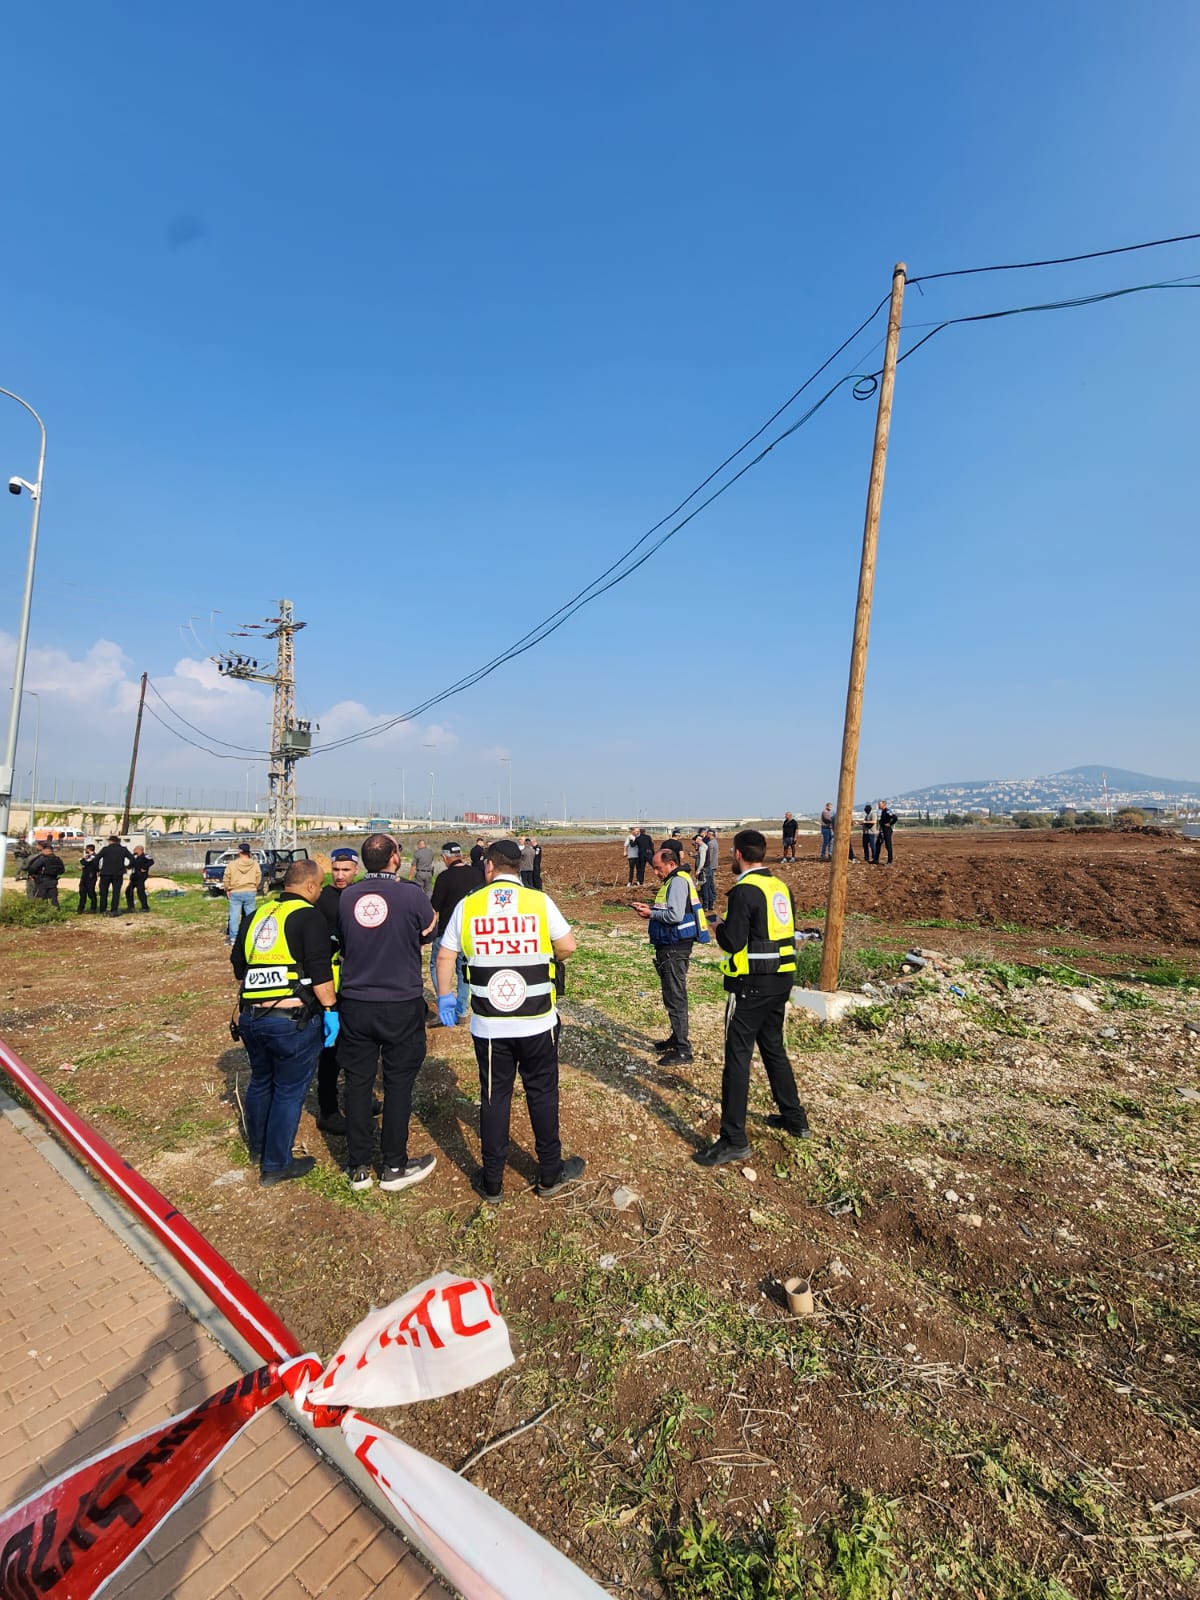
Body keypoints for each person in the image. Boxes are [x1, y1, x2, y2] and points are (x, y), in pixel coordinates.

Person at [436, 839, 583, 1203]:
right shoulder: (539, 901)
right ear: (519, 867)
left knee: (493, 1098)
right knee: (543, 1094)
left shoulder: (469, 906)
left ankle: (492, 1181)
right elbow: (568, 946)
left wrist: (445, 995)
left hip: (489, 1026)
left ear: (489, 866)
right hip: (537, 1021)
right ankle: (549, 1173)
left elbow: (444, 956)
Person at [696, 828, 810, 1167]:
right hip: (781, 980)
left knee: (738, 1058)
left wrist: (717, 925)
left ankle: (734, 1138)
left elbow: (734, 942)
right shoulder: (779, 888)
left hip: (750, 986)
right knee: (774, 1049)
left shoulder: (744, 891)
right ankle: (795, 1118)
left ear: (739, 854)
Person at [338, 834, 438, 1192]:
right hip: (400, 1000)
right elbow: (429, 932)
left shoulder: (348, 895)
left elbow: (345, 940)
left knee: (358, 1083)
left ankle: (358, 1166)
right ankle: (394, 1165)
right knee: (398, 1085)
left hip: (355, 1002)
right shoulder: (411, 895)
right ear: (395, 857)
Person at [230, 858, 337, 1187]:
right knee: (289, 1092)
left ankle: (258, 1149)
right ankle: (276, 1164)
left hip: (251, 1017)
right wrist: (331, 1010)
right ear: (309, 886)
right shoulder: (309, 916)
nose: (320, 891)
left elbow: (238, 964)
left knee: (261, 1081)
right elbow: (320, 973)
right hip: (292, 1022)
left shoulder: (258, 915)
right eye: (319, 886)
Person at [632, 843, 707, 1066]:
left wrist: (651, 914)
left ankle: (684, 1050)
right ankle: (676, 1037)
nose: (655, 873)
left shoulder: (677, 881)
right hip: (671, 946)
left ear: (671, 864)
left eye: (658, 868)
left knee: (675, 996)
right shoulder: (675, 881)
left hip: (675, 947)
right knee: (671, 994)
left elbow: (674, 916)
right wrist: (650, 909)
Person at [314, 847, 361, 1135]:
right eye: (336, 870)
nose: (340, 875)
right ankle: (328, 1109)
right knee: (330, 1051)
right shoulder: (322, 900)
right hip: (330, 985)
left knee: (358, 1047)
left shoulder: (361, 896)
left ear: (356, 870)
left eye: (346, 870)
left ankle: (360, 1097)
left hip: (358, 982)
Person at [428, 841, 484, 1023]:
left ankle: (445, 1002)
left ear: (445, 858)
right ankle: (461, 1011)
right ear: (461, 855)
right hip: (470, 932)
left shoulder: (444, 877)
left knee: (437, 966)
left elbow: (434, 906)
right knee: (463, 971)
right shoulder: (476, 873)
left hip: (446, 931)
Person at [224, 842, 261, 945]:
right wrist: (255, 887)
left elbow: (227, 877)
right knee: (251, 915)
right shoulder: (255, 864)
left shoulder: (232, 864)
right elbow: (258, 877)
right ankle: (252, 935)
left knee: (234, 916)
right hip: (250, 891)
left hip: (235, 892)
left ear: (240, 852)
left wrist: (227, 889)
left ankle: (234, 938)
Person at [95, 836, 132, 916]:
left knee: (104, 892)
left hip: (105, 874)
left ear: (110, 841)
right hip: (118, 874)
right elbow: (132, 859)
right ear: (118, 841)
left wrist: (98, 869)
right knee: (116, 892)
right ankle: (114, 909)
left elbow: (96, 859)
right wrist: (127, 867)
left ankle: (102, 909)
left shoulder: (105, 849)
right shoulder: (123, 849)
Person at [27, 841, 65, 905]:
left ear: (45, 850)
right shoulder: (57, 859)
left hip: (42, 881)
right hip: (53, 881)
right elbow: (62, 870)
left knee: (39, 899)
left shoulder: (43, 859)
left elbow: (33, 868)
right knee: (53, 899)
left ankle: (41, 912)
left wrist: (31, 874)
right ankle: (55, 911)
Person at [124, 845, 154, 912]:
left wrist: (144, 868)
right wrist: (125, 867)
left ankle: (145, 907)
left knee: (140, 891)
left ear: (139, 849)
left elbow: (151, 862)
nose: (134, 850)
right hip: (134, 876)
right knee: (128, 891)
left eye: (135, 849)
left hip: (141, 876)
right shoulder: (134, 857)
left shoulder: (145, 856)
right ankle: (131, 907)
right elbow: (131, 865)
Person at [77, 844, 99, 914]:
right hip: (85, 876)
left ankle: (93, 908)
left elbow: (84, 862)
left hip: (91, 877)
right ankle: (80, 909)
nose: (85, 850)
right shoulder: (89, 856)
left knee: (91, 892)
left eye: (86, 849)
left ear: (89, 849)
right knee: (82, 892)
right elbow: (87, 865)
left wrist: (82, 859)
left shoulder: (93, 856)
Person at [701, 828, 719, 913]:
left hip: (710, 866)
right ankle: (712, 899)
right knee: (710, 883)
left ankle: (711, 900)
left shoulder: (710, 843)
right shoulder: (715, 842)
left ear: (710, 834)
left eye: (707, 834)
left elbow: (709, 856)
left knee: (708, 885)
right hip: (713, 865)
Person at [874, 801, 898, 865]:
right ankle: (876, 859)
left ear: (884, 805)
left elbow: (895, 817)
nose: (878, 806)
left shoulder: (887, 811)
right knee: (878, 844)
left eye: (879, 805)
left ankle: (890, 861)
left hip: (887, 830)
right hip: (882, 830)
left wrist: (890, 824)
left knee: (888, 845)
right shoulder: (883, 812)